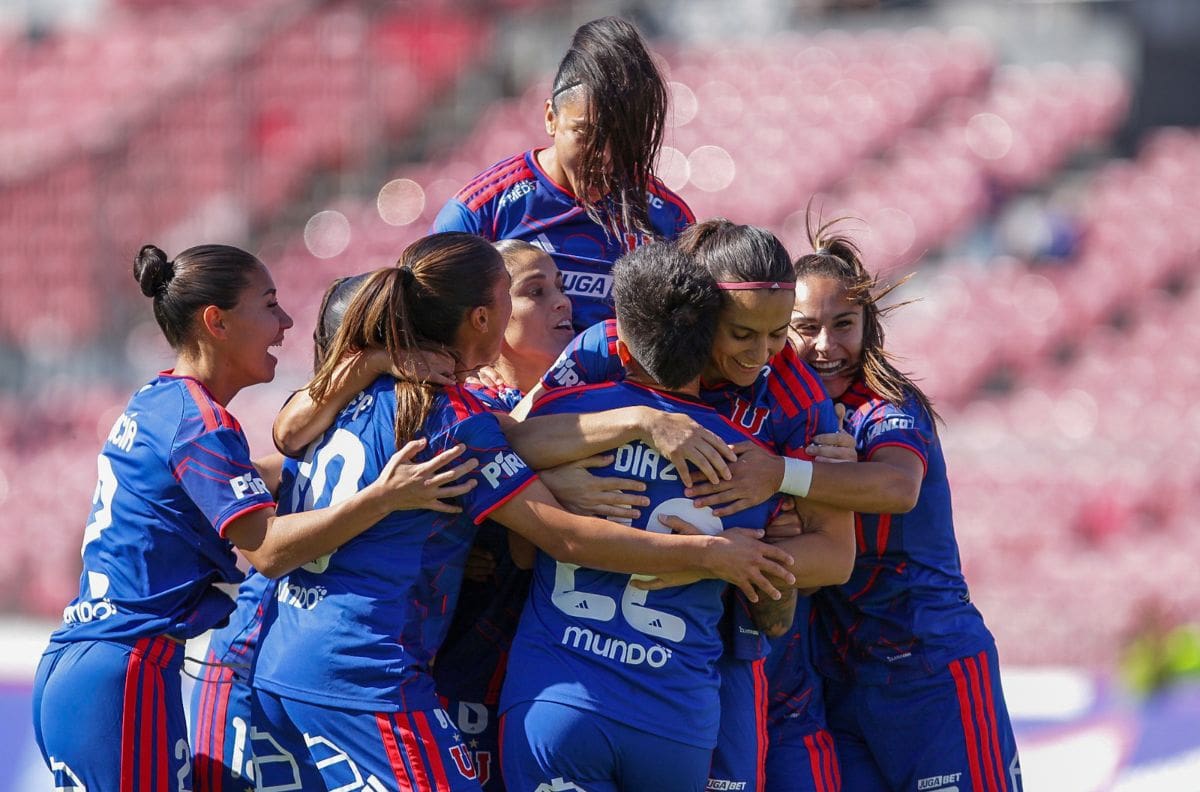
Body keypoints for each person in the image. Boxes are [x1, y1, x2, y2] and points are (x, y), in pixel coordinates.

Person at [248, 232, 794, 790]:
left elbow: (511, 438)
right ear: (483, 318)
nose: (561, 303)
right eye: (517, 295)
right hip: (366, 666)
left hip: (288, 653)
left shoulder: (369, 387)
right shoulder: (450, 413)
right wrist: (710, 552)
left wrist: (627, 428)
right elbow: (559, 537)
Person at [30, 244, 474, 792]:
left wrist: (372, 364)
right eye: (268, 306)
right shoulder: (202, 423)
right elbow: (266, 547)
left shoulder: (158, 400)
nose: (286, 323)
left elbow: (272, 472)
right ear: (216, 322)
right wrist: (382, 498)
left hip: (80, 662)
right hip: (124, 670)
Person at [507, 219, 854, 792]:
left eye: (776, 335)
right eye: (744, 333)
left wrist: (770, 502)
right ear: (700, 312)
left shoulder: (795, 394)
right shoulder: (612, 345)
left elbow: (835, 556)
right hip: (592, 663)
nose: (764, 354)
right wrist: (626, 434)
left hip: (725, 651)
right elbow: (512, 440)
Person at [188, 273, 478, 791]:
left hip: (281, 651)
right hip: (261, 649)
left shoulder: (327, 413)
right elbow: (268, 550)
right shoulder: (408, 413)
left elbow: (284, 442)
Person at [783, 220, 1022, 791]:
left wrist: (786, 476)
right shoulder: (783, 412)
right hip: (842, 683)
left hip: (930, 671)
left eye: (843, 325)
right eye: (806, 328)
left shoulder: (889, 406)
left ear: (869, 327)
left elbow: (897, 487)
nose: (825, 346)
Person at [432, 16, 693, 332]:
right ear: (550, 118)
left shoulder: (669, 219)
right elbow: (437, 330)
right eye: (585, 134)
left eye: (622, 137)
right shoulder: (481, 212)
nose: (605, 156)